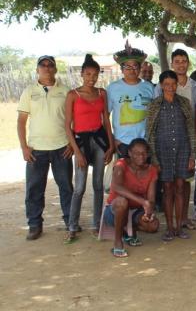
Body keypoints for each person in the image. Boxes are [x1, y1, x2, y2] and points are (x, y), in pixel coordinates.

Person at [17, 55, 74, 240]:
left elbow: (74, 120)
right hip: (36, 150)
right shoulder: (29, 92)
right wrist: (24, 147)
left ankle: (70, 222)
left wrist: (72, 144)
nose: (47, 68)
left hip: (61, 147)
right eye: (43, 65)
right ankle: (34, 225)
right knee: (34, 188)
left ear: (55, 69)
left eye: (51, 65)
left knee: (66, 187)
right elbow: (21, 121)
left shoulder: (65, 91)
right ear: (37, 69)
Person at [64, 55, 115, 243]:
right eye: (88, 74)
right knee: (79, 187)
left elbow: (106, 121)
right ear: (81, 74)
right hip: (81, 142)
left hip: (99, 140)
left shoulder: (102, 93)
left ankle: (96, 224)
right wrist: (76, 151)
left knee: (98, 185)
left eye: (95, 74)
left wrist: (110, 145)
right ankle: (72, 226)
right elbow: (67, 125)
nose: (91, 78)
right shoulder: (73, 95)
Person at [146, 70, 196, 241]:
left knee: (180, 187)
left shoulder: (184, 102)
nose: (170, 87)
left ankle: (179, 226)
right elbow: (150, 133)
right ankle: (169, 228)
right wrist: (153, 158)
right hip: (162, 152)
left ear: (177, 84)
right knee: (167, 189)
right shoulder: (155, 105)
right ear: (161, 86)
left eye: (173, 84)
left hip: (183, 150)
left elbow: (191, 129)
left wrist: (192, 155)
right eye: (166, 84)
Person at [154, 49, 196, 226]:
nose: (181, 64)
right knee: (169, 185)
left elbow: (194, 116)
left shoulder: (195, 87)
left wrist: (193, 148)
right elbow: (153, 122)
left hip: (186, 140)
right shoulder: (160, 89)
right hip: (165, 142)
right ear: (172, 63)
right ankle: (170, 222)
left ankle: (183, 218)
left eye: (184, 61)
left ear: (188, 63)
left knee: (184, 181)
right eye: (177, 61)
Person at [105, 138, 159, 257]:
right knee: (122, 202)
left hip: (135, 211)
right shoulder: (121, 164)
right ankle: (118, 242)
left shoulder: (152, 171)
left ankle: (129, 232)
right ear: (130, 153)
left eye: (144, 153)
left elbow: (151, 199)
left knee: (153, 225)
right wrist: (142, 201)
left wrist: (148, 213)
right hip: (115, 211)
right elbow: (116, 186)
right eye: (137, 153)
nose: (141, 156)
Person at [107, 41, 154, 158]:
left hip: (144, 142)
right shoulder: (112, 88)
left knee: (144, 175)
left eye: (135, 66)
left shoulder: (148, 87)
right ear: (122, 69)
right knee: (122, 174)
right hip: (122, 142)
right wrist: (112, 139)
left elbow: (153, 114)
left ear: (139, 69)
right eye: (127, 67)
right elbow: (105, 117)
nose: (132, 70)